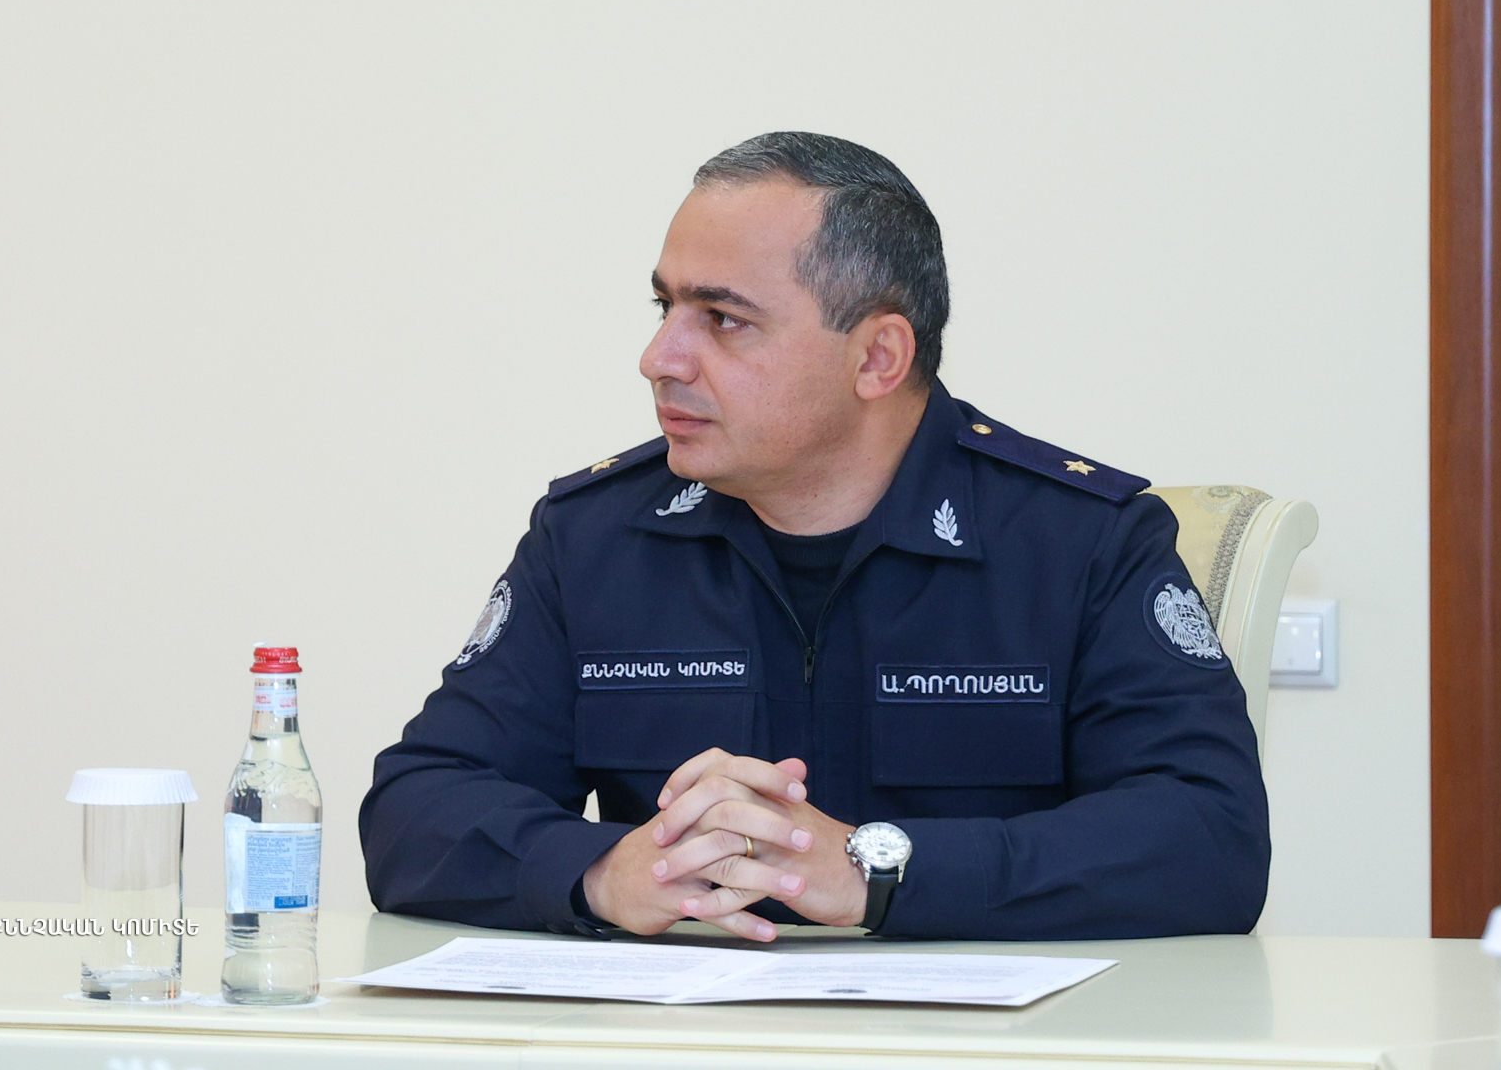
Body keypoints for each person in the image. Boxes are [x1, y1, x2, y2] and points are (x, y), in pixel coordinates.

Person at [359, 132, 1269, 942]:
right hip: (686, 1041)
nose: (659, 358)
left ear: (877, 357)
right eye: (664, 308)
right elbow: (416, 807)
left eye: (722, 319)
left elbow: (1209, 838)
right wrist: (602, 873)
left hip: (987, 1045)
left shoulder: (1079, 542)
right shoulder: (593, 538)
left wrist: (880, 870)